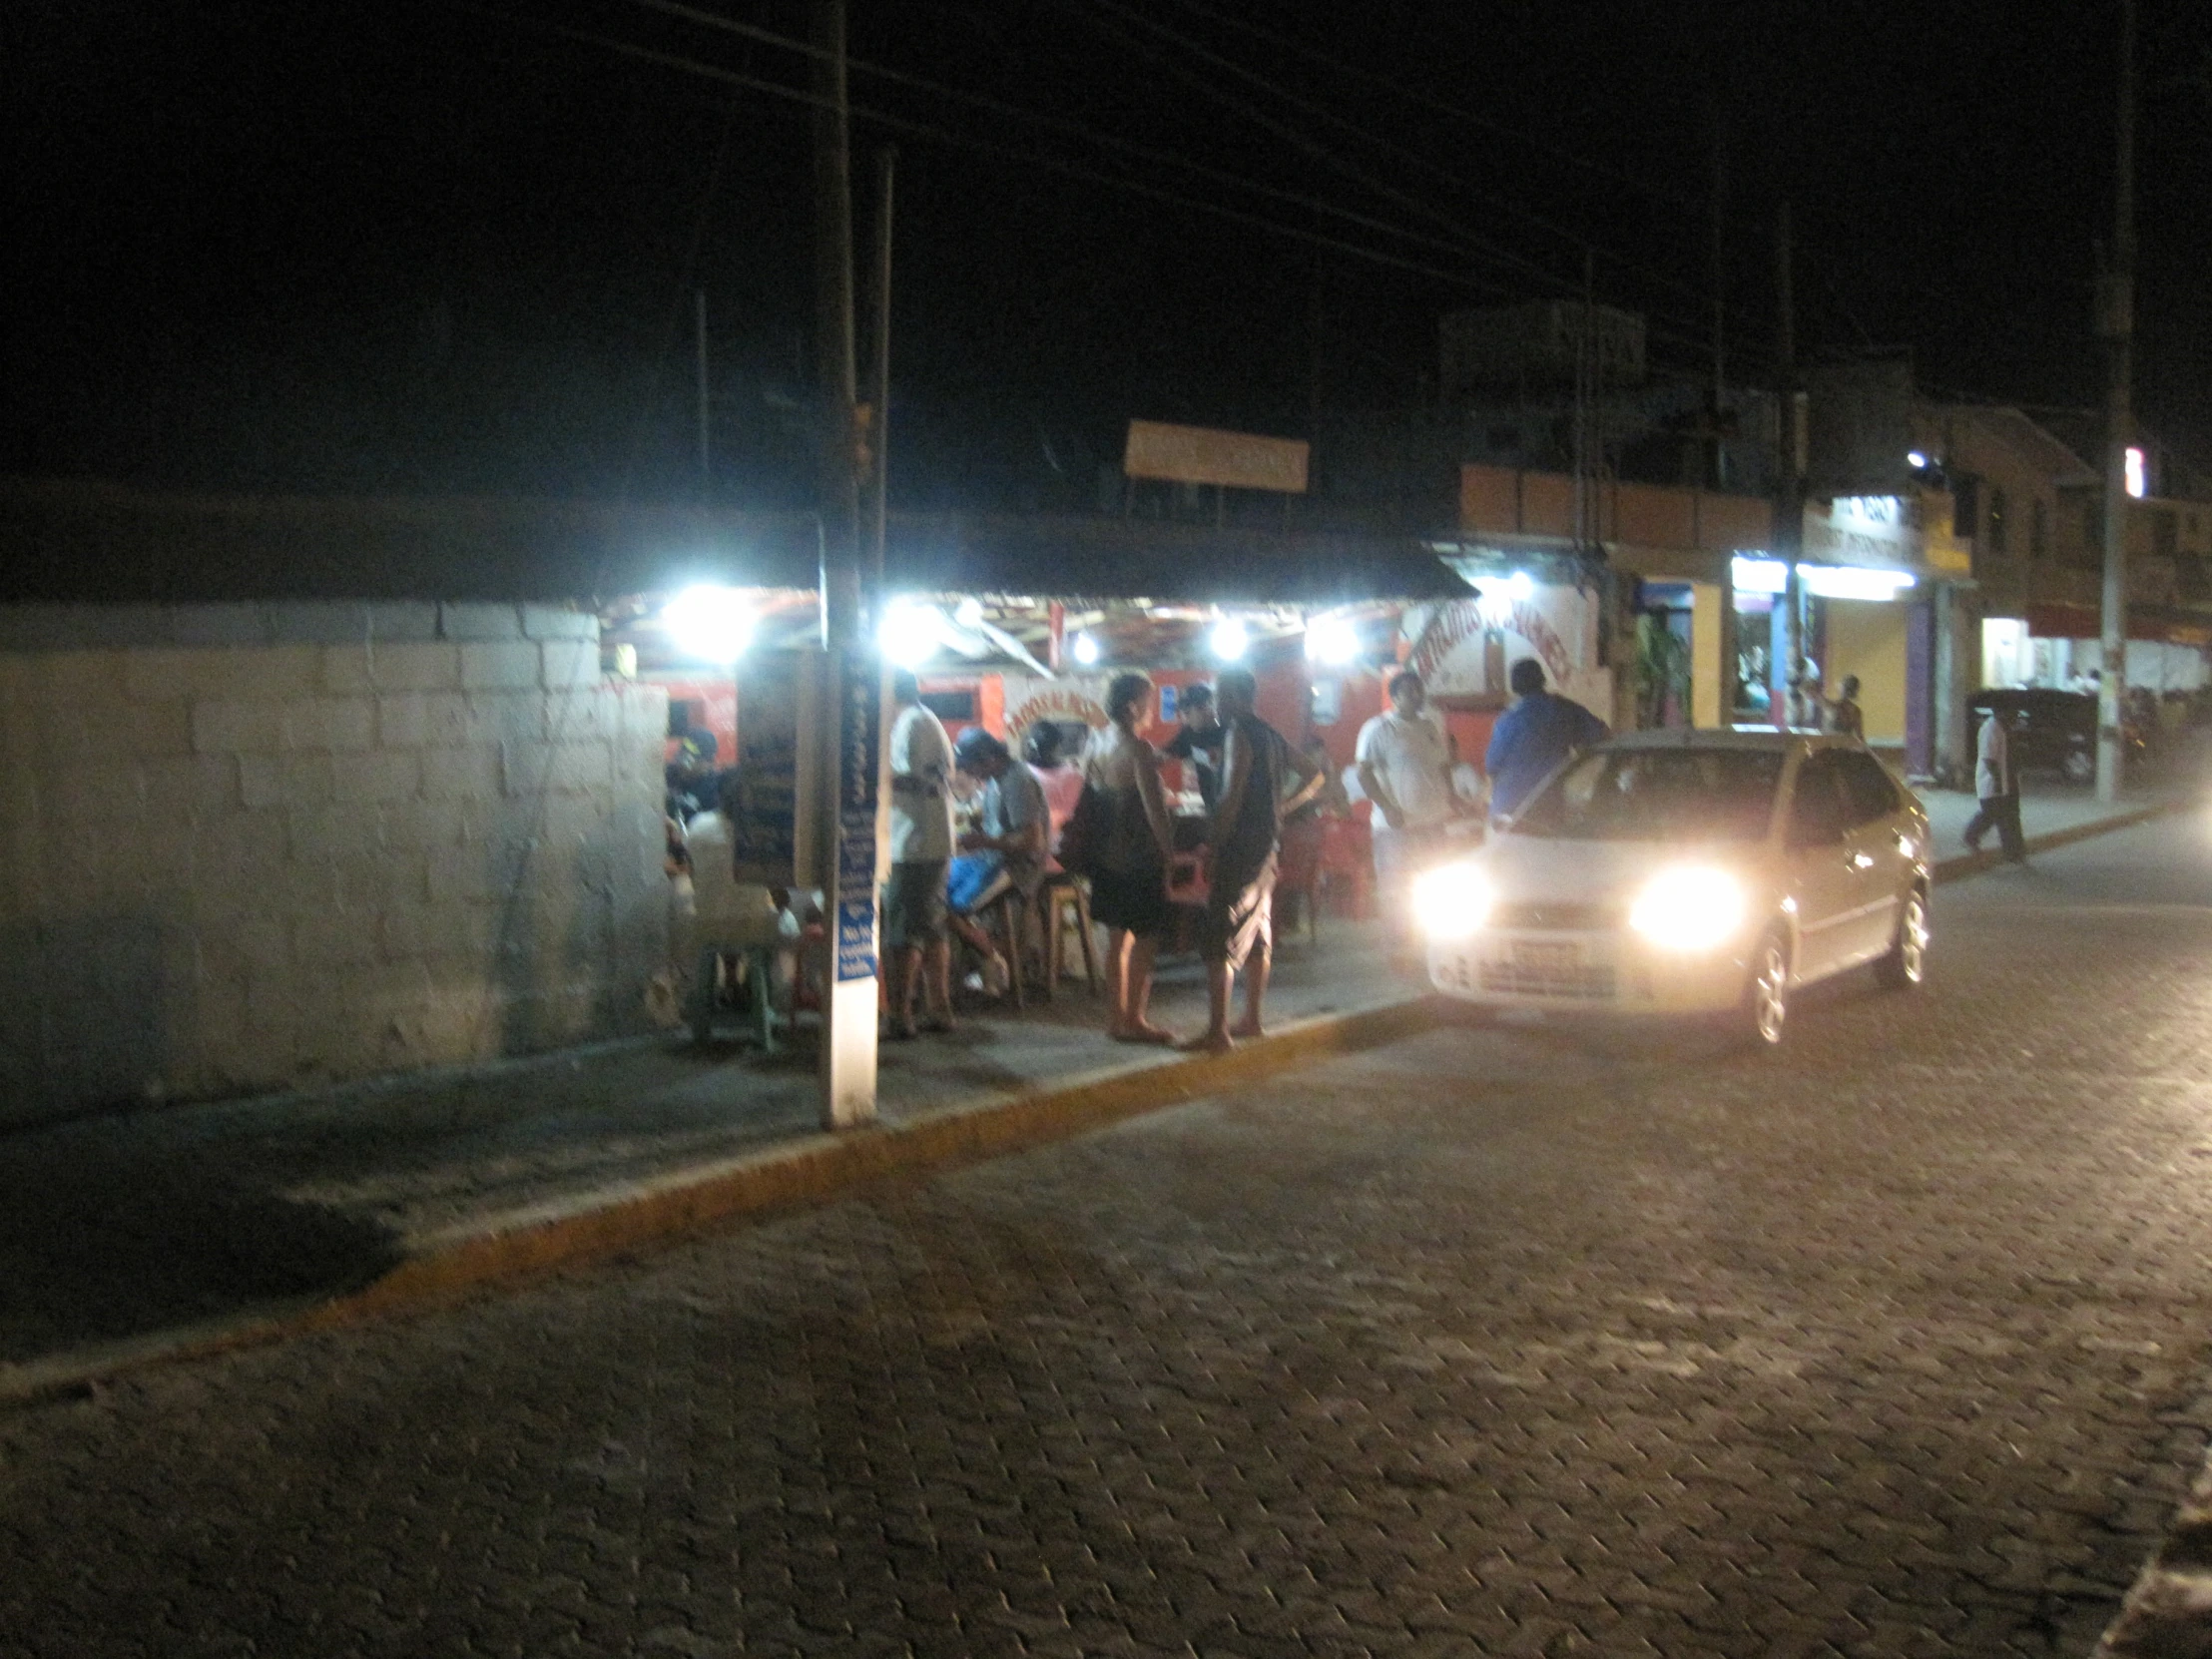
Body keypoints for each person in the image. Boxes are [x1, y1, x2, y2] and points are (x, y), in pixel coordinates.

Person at [1183, 669, 1324, 1052]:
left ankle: (1218, 1030)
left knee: (1220, 934)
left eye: (1218, 696)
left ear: (1234, 696)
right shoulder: (1271, 735)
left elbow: (1230, 798)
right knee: (1259, 931)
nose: (1215, 704)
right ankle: (1253, 1020)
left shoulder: (1237, 734)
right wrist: (1282, 807)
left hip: (1240, 847)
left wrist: (1212, 843)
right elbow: (1315, 774)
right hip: (1267, 847)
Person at [1084, 672, 1179, 1043]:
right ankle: (1135, 1019)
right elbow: (1156, 811)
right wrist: (1169, 853)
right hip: (1137, 857)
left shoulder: (1096, 742)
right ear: (1132, 706)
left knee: (1116, 938)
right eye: (1147, 700)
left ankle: (1114, 1019)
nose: (1151, 708)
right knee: (1146, 938)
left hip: (1105, 855)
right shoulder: (1137, 749)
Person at [1356, 669, 1458, 964]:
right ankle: (1397, 946)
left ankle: (1430, 942)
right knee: (1396, 889)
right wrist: (1387, 806)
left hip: (1434, 821)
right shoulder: (1378, 729)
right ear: (1395, 696)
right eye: (1409, 690)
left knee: (1435, 884)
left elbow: (1442, 767)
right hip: (1397, 827)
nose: (1416, 695)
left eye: (1419, 689)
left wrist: (1451, 796)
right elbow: (1364, 773)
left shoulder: (1429, 727)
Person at [945, 726, 1050, 996]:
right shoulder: (996, 780)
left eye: (973, 768)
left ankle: (989, 953)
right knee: (934, 892)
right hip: (991, 859)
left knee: (949, 906)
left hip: (1015, 868)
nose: (971, 775)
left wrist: (984, 841)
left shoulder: (1017, 781)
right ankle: (980, 954)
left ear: (989, 758)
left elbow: (1032, 841)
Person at [884, 670, 956, 1038]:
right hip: (929, 839)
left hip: (914, 842)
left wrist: (872, 775)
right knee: (930, 927)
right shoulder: (926, 721)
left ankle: (900, 1015)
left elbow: (912, 780)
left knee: (903, 931)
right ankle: (939, 1009)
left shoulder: (911, 724)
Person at [1483, 658, 1608, 822]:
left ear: (1515, 686)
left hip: (1508, 809)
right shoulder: (1564, 710)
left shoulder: (1508, 719)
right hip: (1548, 806)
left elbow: (1491, 764)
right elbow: (1600, 733)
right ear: (1541, 679)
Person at [1963, 705, 2026, 862]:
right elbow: (1989, 758)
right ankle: (1971, 835)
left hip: (2009, 781)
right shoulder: (1991, 729)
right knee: (1991, 814)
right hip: (1993, 782)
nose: (2016, 717)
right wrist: (1998, 783)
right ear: (2002, 712)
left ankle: (2014, 852)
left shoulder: (2005, 728)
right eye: (2013, 713)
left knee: (2011, 817)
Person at [1024, 721, 1086, 868]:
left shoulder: (1022, 775)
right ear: (1058, 747)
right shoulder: (1074, 776)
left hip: (1029, 857)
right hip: (1067, 855)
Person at [1161, 682, 1224, 812]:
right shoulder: (1187, 733)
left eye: (1188, 712)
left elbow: (1217, 761)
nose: (1185, 719)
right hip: (1209, 807)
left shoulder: (1228, 732)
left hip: (1235, 810)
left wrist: (1194, 756)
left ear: (1205, 708)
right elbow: (1160, 756)